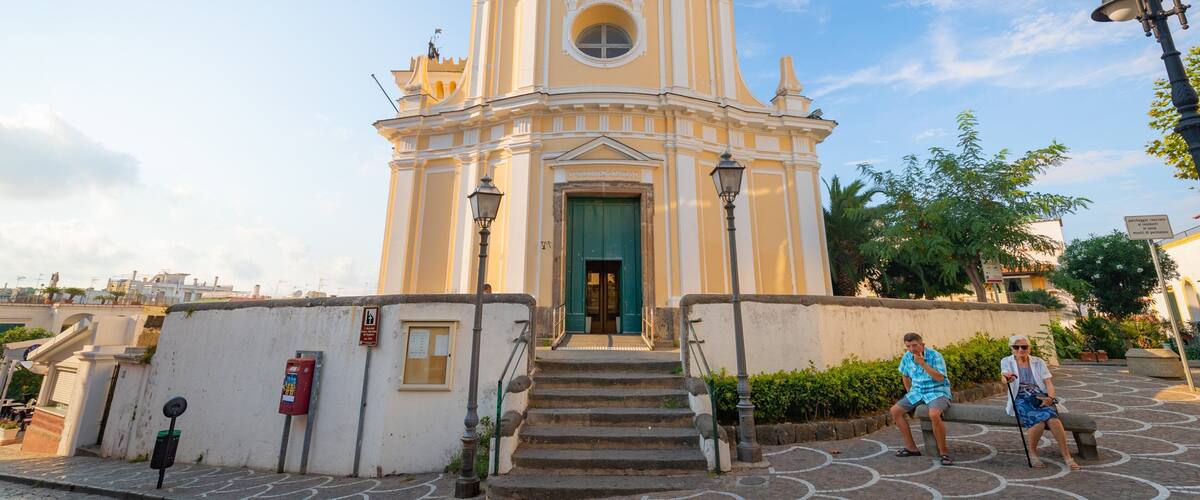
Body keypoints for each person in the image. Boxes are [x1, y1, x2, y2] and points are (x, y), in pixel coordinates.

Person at [1001, 335, 1079, 470]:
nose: (1020, 350)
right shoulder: (1006, 361)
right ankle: (1032, 453)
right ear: (1011, 349)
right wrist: (1008, 378)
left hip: (1039, 396)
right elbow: (1004, 377)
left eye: (1024, 347)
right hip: (1020, 397)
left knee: (1054, 420)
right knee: (1038, 423)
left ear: (1029, 348)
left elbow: (1048, 383)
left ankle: (1067, 456)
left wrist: (1050, 398)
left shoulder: (1038, 362)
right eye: (1016, 347)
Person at [890, 332, 954, 465]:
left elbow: (940, 378)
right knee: (895, 411)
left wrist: (923, 364)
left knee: (934, 414)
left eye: (914, 345)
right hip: (917, 392)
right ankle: (911, 448)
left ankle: (944, 453)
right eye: (908, 346)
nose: (911, 349)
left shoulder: (935, 356)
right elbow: (904, 375)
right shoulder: (907, 357)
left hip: (937, 391)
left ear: (922, 344)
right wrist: (909, 393)